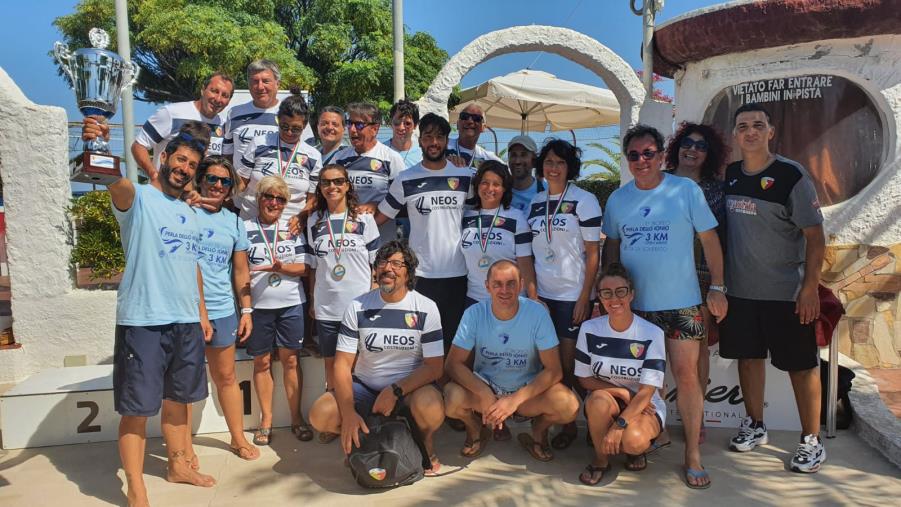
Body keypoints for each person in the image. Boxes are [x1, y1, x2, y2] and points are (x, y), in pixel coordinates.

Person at [602, 124, 727, 489]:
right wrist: (609, 295)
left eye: (648, 153)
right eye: (634, 155)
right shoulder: (618, 200)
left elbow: (711, 240)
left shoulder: (685, 190)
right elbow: (611, 249)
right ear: (627, 160)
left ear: (660, 155)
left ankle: (692, 455)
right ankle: (650, 436)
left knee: (687, 378)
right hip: (635, 310)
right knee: (644, 383)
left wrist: (718, 288)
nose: (642, 160)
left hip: (683, 305)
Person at [107, 128, 216, 506]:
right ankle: (136, 486)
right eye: (180, 159)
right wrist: (99, 147)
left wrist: (201, 312)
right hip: (144, 320)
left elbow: (193, 266)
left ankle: (178, 465)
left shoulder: (189, 211)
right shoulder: (139, 199)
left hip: (185, 321)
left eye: (192, 165)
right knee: (136, 410)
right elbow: (114, 182)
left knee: (178, 401)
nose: (184, 168)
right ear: (165, 157)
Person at [720, 103, 826, 473]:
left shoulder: (791, 175)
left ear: (770, 132)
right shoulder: (731, 174)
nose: (750, 131)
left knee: (801, 366)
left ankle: (811, 440)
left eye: (757, 125)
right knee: (749, 360)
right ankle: (755, 424)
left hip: (786, 294)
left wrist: (809, 288)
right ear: (735, 134)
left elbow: (815, 237)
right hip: (740, 292)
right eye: (743, 125)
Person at [308, 241, 445, 475]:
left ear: (408, 272)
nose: (388, 268)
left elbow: (434, 367)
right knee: (320, 415)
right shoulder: (358, 306)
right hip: (365, 387)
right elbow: (342, 364)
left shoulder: (426, 307)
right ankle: (366, 442)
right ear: (375, 269)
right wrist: (348, 412)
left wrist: (395, 390)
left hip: (407, 389)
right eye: (382, 262)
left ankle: (423, 444)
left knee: (431, 408)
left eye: (396, 263)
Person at [444, 260, 579, 461]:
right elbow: (452, 364)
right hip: (486, 390)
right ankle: (475, 429)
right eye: (497, 284)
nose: (504, 290)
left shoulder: (537, 313)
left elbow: (554, 370)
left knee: (569, 406)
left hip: (525, 393)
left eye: (511, 283)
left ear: (521, 284)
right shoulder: (474, 313)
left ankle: (538, 430)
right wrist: (483, 393)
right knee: (451, 398)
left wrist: (514, 400)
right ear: (487, 286)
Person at [526, 138, 602, 450]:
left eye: (560, 162)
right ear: (540, 167)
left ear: (570, 167)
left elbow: (593, 254)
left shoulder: (584, 200)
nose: (553, 167)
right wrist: (533, 296)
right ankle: (565, 420)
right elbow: (529, 255)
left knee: (570, 367)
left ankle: (580, 424)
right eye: (548, 162)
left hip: (573, 295)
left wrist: (586, 297)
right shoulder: (534, 202)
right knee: (550, 367)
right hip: (544, 297)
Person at [375, 113, 472, 346]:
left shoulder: (465, 175)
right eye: (428, 137)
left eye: (440, 137)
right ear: (420, 141)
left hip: (457, 273)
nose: (434, 142)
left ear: (448, 141)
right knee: (420, 341)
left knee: (451, 341)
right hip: (420, 275)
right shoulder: (405, 179)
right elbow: (379, 218)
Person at [664, 122, 730, 444]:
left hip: (700, 278)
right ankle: (652, 416)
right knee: (654, 349)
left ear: (709, 153)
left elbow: (721, 240)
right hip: (657, 275)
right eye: (687, 143)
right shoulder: (657, 181)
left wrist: (720, 285)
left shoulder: (717, 189)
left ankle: (696, 416)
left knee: (697, 352)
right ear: (677, 147)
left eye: (701, 146)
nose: (692, 149)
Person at [306, 163, 381, 443]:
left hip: (359, 307)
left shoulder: (364, 220)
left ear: (348, 185)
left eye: (338, 181)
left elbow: (376, 263)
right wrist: (314, 300)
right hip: (327, 307)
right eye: (326, 183)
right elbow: (314, 267)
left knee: (360, 366)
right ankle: (335, 417)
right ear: (321, 188)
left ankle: (360, 414)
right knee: (331, 366)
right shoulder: (314, 223)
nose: (332, 187)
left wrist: (373, 298)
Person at [575, 263, 666, 486]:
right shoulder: (589, 329)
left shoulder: (652, 333)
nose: (614, 299)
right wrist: (623, 392)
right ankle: (600, 460)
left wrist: (619, 426)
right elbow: (584, 379)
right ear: (600, 297)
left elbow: (647, 391)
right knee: (596, 402)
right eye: (606, 293)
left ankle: (634, 449)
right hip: (608, 399)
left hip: (646, 404)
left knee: (633, 442)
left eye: (620, 291)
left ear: (631, 294)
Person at [244, 176, 313, 445]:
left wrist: (280, 267)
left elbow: (304, 268)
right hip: (259, 307)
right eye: (268, 196)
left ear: (286, 204)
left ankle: (297, 419)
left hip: (290, 304)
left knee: (291, 361)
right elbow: (239, 271)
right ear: (259, 198)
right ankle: (266, 421)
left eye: (280, 198)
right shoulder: (245, 227)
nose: (273, 202)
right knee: (261, 363)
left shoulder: (293, 227)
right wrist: (245, 309)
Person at [460, 160, 537, 307]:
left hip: (509, 299)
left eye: (496, 184)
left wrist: (533, 298)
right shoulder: (466, 216)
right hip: (475, 300)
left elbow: (525, 263)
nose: (490, 188)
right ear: (477, 185)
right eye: (485, 182)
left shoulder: (516, 218)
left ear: (504, 189)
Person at [234, 92, 322, 220]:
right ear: (278, 120)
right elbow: (241, 182)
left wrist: (302, 218)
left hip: (289, 227)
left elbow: (312, 198)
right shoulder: (259, 143)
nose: (289, 132)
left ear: (304, 125)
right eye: (284, 126)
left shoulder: (313, 156)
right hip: (252, 220)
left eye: (296, 128)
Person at [132, 72, 234, 181]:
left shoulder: (224, 125)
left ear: (229, 101)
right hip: (167, 192)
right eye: (214, 91)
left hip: (201, 196)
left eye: (224, 95)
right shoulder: (171, 113)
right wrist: (153, 175)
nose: (218, 99)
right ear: (203, 90)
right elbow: (138, 146)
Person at [331, 102, 406, 238]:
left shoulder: (391, 158)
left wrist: (377, 206)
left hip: (380, 240)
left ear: (375, 129)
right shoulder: (339, 158)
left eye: (359, 125)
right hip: (347, 237)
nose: (352, 129)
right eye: (349, 123)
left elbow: (402, 201)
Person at [223, 60, 313, 165]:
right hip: (241, 181)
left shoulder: (294, 113)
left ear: (277, 84)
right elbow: (227, 155)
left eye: (265, 81)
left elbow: (309, 154)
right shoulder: (234, 114)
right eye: (255, 81)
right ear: (249, 84)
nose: (260, 87)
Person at [446, 104, 503, 168]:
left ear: (483, 127)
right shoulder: (443, 146)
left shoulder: (489, 159)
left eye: (476, 118)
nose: (470, 121)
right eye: (464, 116)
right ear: (457, 124)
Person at [507, 135, 544, 212]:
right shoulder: (499, 192)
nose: (517, 161)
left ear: (533, 160)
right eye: (513, 155)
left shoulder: (546, 191)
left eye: (523, 155)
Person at [386, 99, 423, 168]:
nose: (401, 127)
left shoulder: (422, 154)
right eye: (397, 123)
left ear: (415, 125)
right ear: (391, 123)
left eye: (407, 124)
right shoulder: (380, 152)